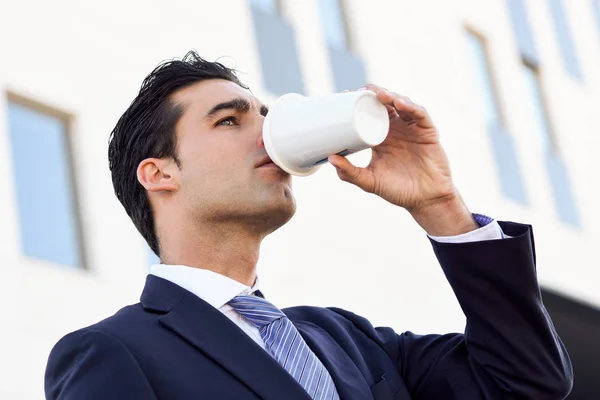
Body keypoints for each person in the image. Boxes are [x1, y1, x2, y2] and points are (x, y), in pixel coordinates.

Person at [44, 51, 573, 400]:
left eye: (269, 119)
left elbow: (527, 382)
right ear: (159, 174)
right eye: (229, 121)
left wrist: (440, 206)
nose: (267, 138)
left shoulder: (348, 339)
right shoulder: (114, 352)